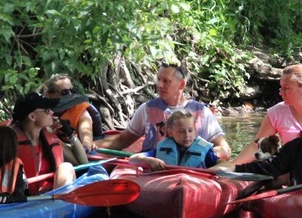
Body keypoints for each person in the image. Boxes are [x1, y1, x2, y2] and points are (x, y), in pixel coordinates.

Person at [95, 62, 232, 159]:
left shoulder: (202, 112)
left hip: (193, 172)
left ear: (182, 84)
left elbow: (224, 148)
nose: (160, 85)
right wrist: (92, 145)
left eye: (166, 81)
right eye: (159, 80)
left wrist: (204, 153)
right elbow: (122, 140)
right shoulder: (147, 109)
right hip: (154, 169)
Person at [10, 92, 76, 194]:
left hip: (53, 197)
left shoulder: (50, 137)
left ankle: (58, 205)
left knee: (66, 167)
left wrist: (70, 133)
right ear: (32, 116)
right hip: (25, 200)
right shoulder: (10, 142)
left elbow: (83, 161)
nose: (51, 112)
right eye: (46, 110)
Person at [129, 110, 219, 170]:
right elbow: (133, 159)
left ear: (195, 131)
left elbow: (226, 165)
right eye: (181, 131)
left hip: (195, 183)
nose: (187, 135)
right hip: (168, 184)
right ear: (170, 132)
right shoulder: (161, 148)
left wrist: (210, 170)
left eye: (190, 131)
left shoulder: (205, 152)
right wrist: (151, 161)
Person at [41, 73, 104, 152]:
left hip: (78, 149)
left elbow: (85, 131)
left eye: (72, 91)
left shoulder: (80, 109)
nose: (70, 95)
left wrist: (86, 143)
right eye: (64, 92)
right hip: (55, 148)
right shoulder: (40, 112)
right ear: (49, 95)